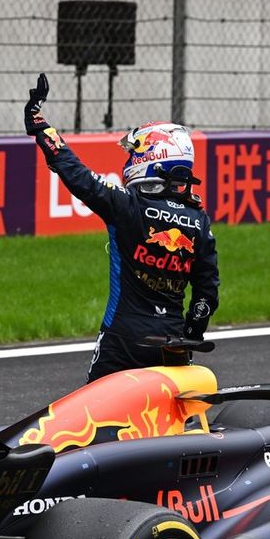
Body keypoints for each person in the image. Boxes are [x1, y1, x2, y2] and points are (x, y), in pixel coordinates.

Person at [24, 73, 219, 383]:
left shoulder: (126, 206)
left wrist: (40, 127)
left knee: (91, 420)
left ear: (152, 156)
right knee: (172, 424)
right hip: (173, 343)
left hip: (124, 339)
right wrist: (192, 332)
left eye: (135, 151)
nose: (131, 156)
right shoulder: (199, 221)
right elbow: (207, 292)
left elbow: (79, 177)